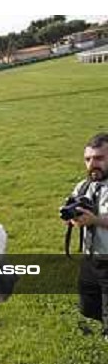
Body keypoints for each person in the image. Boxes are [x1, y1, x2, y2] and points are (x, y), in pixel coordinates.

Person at [66, 133, 108, 337]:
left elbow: (94, 219)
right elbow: (74, 209)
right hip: (90, 258)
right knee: (89, 305)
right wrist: (71, 217)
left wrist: (95, 221)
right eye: (88, 159)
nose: (93, 164)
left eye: (99, 158)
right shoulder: (84, 186)